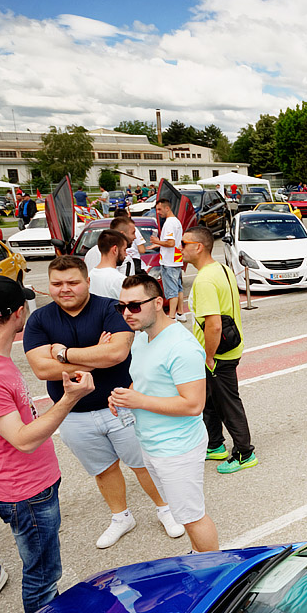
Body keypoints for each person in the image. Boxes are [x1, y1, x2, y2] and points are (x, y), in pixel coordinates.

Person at [23, 255, 181, 548]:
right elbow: (42, 369)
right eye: (57, 283)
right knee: (103, 469)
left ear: (87, 281)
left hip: (121, 404)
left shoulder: (110, 308)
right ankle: (121, 517)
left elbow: (117, 353)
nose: (64, 289)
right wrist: (97, 354)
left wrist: (62, 354)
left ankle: (166, 509)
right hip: (72, 412)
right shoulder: (40, 320)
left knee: (143, 463)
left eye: (72, 282)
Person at [0, 276, 96, 613]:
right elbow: (23, 439)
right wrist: (69, 399)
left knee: (45, 572)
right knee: (42, 578)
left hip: (29, 486)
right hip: (25, 492)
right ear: (18, 313)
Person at [110, 274, 219, 553]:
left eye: (134, 306)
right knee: (182, 514)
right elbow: (144, 382)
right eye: (121, 306)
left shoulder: (181, 347)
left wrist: (139, 400)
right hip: (152, 443)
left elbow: (193, 405)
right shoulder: (142, 338)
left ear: (158, 303)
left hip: (178, 448)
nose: (126, 313)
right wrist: (125, 398)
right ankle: (197, 556)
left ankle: (213, 569)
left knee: (192, 517)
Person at [182, 227, 257, 475]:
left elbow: (213, 325)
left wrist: (209, 355)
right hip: (228, 346)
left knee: (227, 403)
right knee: (210, 401)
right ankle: (214, 445)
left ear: (198, 247)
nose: (179, 249)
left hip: (218, 353)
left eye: (183, 243)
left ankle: (244, 453)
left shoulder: (204, 280)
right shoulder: (222, 269)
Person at [149, 199, 185, 321]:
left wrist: (157, 242)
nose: (158, 212)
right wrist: (158, 244)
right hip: (176, 258)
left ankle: (172, 316)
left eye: (159, 209)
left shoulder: (169, 223)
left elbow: (170, 243)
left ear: (167, 208)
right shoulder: (176, 221)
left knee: (171, 290)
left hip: (169, 261)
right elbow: (173, 242)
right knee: (178, 287)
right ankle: (180, 312)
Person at [88, 230, 129, 299]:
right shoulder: (119, 280)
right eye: (124, 250)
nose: (126, 254)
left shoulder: (90, 276)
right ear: (115, 250)